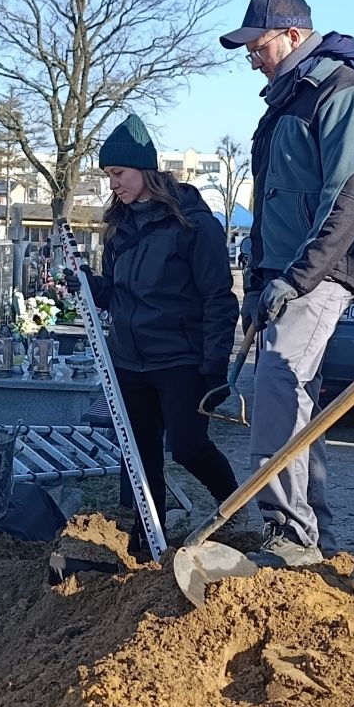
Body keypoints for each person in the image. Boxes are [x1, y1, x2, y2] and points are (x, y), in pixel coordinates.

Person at [220, 0, 354, 567]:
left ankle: (289, 533)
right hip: (283, 276)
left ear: (293, 35)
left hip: (317, 277)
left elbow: (349, 197)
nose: (250, 57)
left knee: (278, 392)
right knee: (296, 405)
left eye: (257, 44)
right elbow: (272, 201)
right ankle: (310, 532)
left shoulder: (344, 96)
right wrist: (257, 279)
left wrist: (297, 277)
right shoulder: (285, 102)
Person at [90, 114, 240, 540]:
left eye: (118, 172)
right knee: (139, 457)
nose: (112, 183)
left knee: (190, 446)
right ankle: (146, 536)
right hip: (129, 361)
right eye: (107, 175)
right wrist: (88, 285)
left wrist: (215, 368)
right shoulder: (118, 227)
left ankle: (234, 506)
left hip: (179, 359)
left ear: (145, 169)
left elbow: (218, 297)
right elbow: (117, 293)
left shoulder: (193, 225)